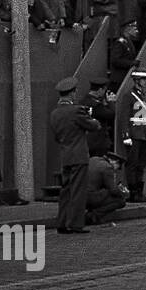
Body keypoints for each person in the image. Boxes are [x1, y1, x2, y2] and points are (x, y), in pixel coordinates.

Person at [50, 78, 99, 234]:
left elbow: (57, 137)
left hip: (65, 156)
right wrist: (92, 118)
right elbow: (93, 126)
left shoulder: (55, 113)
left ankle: (62, 222)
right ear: (72, 93)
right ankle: (76, 223)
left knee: (65, 191)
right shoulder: (76, 110)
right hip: (79, 155)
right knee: (78, 191)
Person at [116, 66, 146, 201]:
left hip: (144, 134)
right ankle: (133, 192)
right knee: (132, 163)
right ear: (137, 80)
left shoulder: (145, 95)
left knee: (141, 164)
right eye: (143, 79)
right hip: (134, 134)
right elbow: (124, 116)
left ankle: (139, 191)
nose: (145, 81)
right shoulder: (129, 96)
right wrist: (126, 135)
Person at [85, 152, 129, 225]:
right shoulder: (107, 167)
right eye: (117, 167)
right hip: (90, 198)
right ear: (115, 162)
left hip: (79, 196)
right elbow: (113, 190)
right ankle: (93, 216)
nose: (115, 171)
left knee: (101, 193)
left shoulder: (93, 159)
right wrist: (124, 193)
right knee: (120, 201)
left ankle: (92, 215)